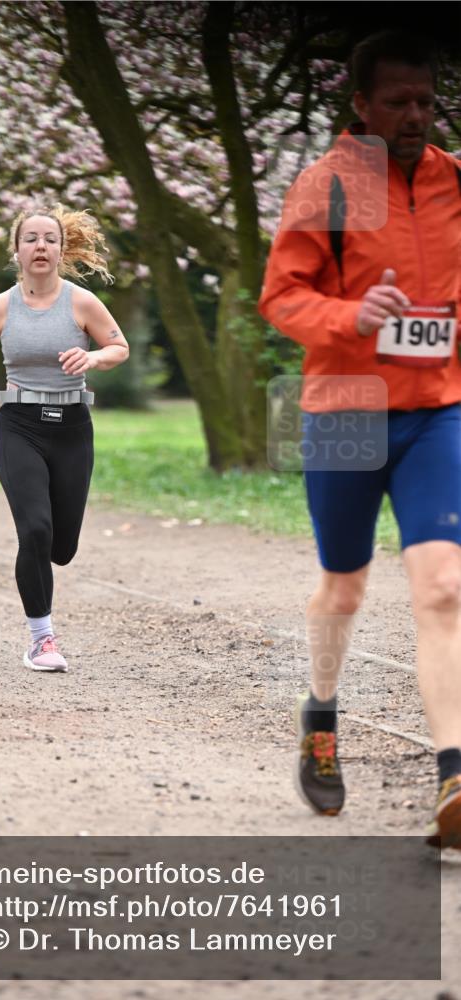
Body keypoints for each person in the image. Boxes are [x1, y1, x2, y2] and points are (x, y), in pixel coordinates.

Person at [258, 30, 461, 848]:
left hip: (436, 411)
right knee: (342, 588)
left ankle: (453, 777)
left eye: (425, 101)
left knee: (443, 586)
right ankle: (319, 716)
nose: (414, 116)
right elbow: (281, 297)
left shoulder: (455, 182)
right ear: (360, 105)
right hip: (344, 408)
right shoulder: (327, 187)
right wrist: (352, 315)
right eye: (396, 102)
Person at [0, 205, 129, 673]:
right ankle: (42, 640)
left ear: (61, 249)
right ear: (16, 250)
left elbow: (118, 347)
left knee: (61, 547)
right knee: (35, 530)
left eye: (50, 239)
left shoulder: (82, 303)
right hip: (19, 425)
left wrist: (92, 359)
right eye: (31, 238)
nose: (40, 246)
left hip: (72, 428)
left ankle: (47, 558)